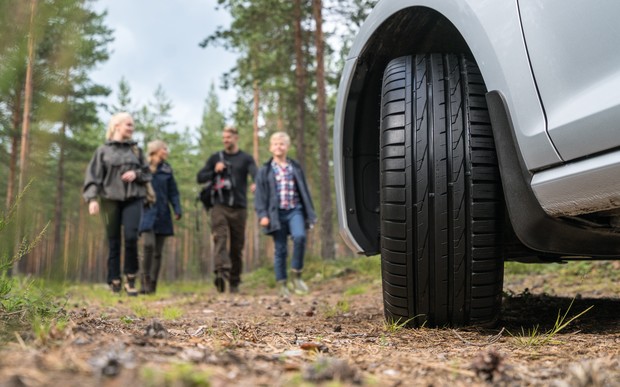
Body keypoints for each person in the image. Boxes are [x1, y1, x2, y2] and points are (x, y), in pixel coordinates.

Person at [83, 112, 151, 296]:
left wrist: (136, 174)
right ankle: (114, 279)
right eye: (128, 124)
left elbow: (147, 173)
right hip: (109, 201)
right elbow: (93, 177)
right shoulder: (102, 151)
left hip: (133, 199)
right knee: (113, 241)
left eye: (132, 125)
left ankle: (130, 278)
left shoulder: (136, 151)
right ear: (117, 126)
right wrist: (92, 199)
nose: (132, 128)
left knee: (131, 237)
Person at [254, 131, 317, 296]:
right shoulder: (265, 170)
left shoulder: (294, 167)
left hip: (295, 209)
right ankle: (281, 284)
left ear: (287, 147)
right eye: (275, 144)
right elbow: (260, 195)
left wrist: (310, 213)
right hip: (276, 214)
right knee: (280, 249)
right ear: (270, 147)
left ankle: (297, 276)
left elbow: (304, 191)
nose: (278, 146)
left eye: (282, 144)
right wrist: (263, 215)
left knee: (300, 237)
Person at [197, 126, 257, 293]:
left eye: (228, 137)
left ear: (236, 137)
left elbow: (256, 174)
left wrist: (256, 183)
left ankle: (234, 281)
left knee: (237, 246)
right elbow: (199, 177)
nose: (225, 140)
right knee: (220, 238)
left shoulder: (246, 158)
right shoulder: (216, 157)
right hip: (219, 205)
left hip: (239, 207)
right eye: (223, 137)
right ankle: (222, 272)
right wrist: (213, 171)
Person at [138, 140, 182, 294]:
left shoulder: (167, 169)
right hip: (146, 212)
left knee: (158, 252)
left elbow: (173, 192)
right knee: (148, 245)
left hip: (163, 214)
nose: (166, 151)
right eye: (164, 148)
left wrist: (177, 208)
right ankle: (143, 282)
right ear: (156, 150)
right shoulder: (142, 168)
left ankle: (152, 286)